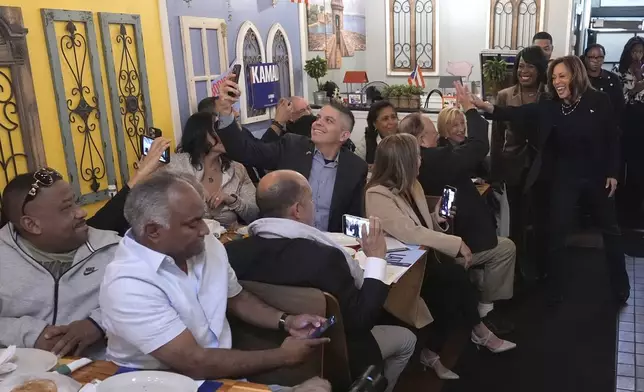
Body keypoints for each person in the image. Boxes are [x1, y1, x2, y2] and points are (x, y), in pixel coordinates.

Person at [100, 172, 329, 380]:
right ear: (154, 231)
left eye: (202, 218)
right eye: (193, 223)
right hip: (159, 383)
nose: (205, 230)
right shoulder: (127, 284)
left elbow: (235, 297)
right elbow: (194, 363)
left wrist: (286, 321)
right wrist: (283, 356)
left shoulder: (204, 244)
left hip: (221, 377)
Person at [225, 170, 416, 392]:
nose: (314, 205)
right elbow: (362, 319)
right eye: (311, 200)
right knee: (407, 340)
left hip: (255, 356)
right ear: (297, 209)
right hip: (334, 357)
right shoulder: (324, 259)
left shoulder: (231, 254)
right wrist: (376, 258)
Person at [471, 55, 630, 305]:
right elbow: (519, 113)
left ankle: (620, 286)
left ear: (576, 75)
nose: (557, 81)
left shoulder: (598, 100)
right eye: (554, 77)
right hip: (564, 177)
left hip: (597, 176)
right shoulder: (552, 105)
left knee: (611, 231)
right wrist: (487, 108)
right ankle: (555, 288)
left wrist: (613, 172)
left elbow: (613, 138)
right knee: (557, 232)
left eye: (562, 76)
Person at [364, 133, 516, 380]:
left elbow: (423, 227)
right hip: (404, 273)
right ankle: (476, 333)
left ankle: (441, 347)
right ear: (404, 161)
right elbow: (409, 232)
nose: (421, 161)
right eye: (417, 156)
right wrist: (456, 243)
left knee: (455, 287)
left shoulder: (413, 185)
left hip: (426, 262)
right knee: (454, 282)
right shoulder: (377, 194)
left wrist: (438, 220)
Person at [400, 89, 516, 335]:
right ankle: (486, 310)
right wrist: (470, 109)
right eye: (433, 131)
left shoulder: (406, 162)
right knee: (506, 249)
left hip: (439, 233)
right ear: (422, 141)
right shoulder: (436, 158)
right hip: (450, 242)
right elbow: (480, 146)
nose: (436, 135)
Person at [214, 77, 367, 232]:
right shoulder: (292, 146)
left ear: (343, 135)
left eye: (329, 121)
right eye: (319, 117)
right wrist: (225, 113)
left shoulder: (355, 167)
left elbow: (354, 217)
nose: (318, 122)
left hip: (330, 245)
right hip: (286, 240)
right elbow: (246, 151)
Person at [0, 168, 120, 358]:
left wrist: (99, 323)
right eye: (66, 208)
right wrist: (33, 334)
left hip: (99, 372)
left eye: (76, 201)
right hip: (19, 374)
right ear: (32, 224)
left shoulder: (114, 250)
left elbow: (152, 299)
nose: (81, 212)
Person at [490, 46, 549, 280]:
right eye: (521, 65)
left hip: (543, 166)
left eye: (530, 66)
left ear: (540, 70)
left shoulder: (549, 95)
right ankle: (516, 267)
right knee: (516, 219)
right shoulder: (505, 95)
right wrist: (495, 173)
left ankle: (540, 264)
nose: (524, 71)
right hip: (513, 165)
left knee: (540, 217)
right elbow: (496, 137)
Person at [165, 112, 259, 228]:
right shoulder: (176, 165)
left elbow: (255, 214)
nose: (227, 136)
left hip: (230, 241)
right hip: (190, 241)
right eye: (218, 130)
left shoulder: (237, 169)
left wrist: (232, 200)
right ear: (201, 133)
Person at [197, 96, 265, 184]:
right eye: (227, 110)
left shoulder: (242, 132)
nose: (237, 113)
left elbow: (261, 152)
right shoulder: (225, 157)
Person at [614, 37, 644, 228]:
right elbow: (619, 100)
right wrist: (637, 87)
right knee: (622, 168)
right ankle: (620, 211)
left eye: (641, 52)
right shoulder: (619, 72)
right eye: (635, 52)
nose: (638, 56)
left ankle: (636, 212)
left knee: (638, 169)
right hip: (626, 124)